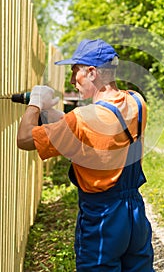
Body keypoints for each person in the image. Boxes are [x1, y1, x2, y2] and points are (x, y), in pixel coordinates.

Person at [17, 38, 154, 272]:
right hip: (134, 215)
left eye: (75, 72)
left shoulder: (81, 118)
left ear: (91, 72)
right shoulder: (136, 102)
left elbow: (24, 139)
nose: (72, 80)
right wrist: (53, 114)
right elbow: (95, 128)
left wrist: (36, 104)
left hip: (103, 218)